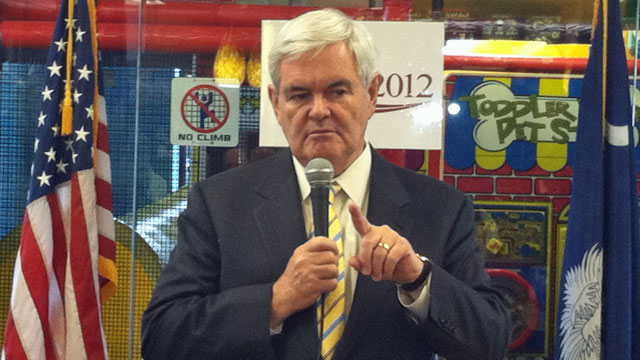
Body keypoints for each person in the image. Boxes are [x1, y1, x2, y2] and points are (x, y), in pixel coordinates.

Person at [141, 8, 511, 360]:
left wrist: (418, 279)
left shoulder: (441, 207)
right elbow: (162, 337)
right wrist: (274, 301)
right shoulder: (219, 203)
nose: (318, 110)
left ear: (372, 94)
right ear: (276, 102)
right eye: (299, 95)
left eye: (337, 91)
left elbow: (490, 342)